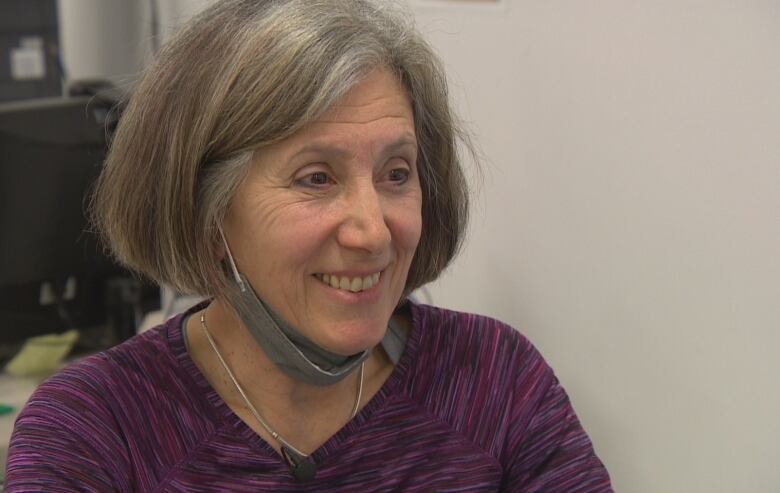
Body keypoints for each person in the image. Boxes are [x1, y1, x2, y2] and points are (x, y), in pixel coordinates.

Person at [5, 0, 613, 491]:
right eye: (316, 178)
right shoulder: (95, 428)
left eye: (396, 173)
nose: (373, 231)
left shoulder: (495, 380)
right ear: (205, 210)